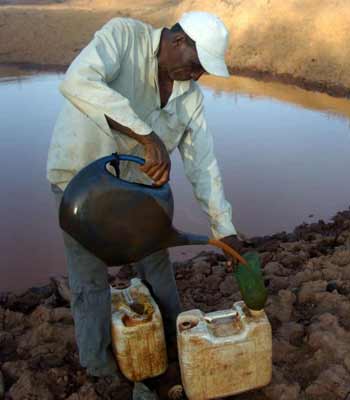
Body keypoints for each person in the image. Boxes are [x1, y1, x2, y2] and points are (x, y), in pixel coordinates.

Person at [46, 11, 244, 384]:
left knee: (157, 266)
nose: (198, 75)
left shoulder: (190, 98)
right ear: (178, 42)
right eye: (197, 66)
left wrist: (224, 228)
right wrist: (145, 135)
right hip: (81, 188)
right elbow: (78, 81)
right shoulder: (123, 37)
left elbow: (203, 165)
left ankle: (175, 344)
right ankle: (101, 371)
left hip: (135, 198)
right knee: (90, 280)